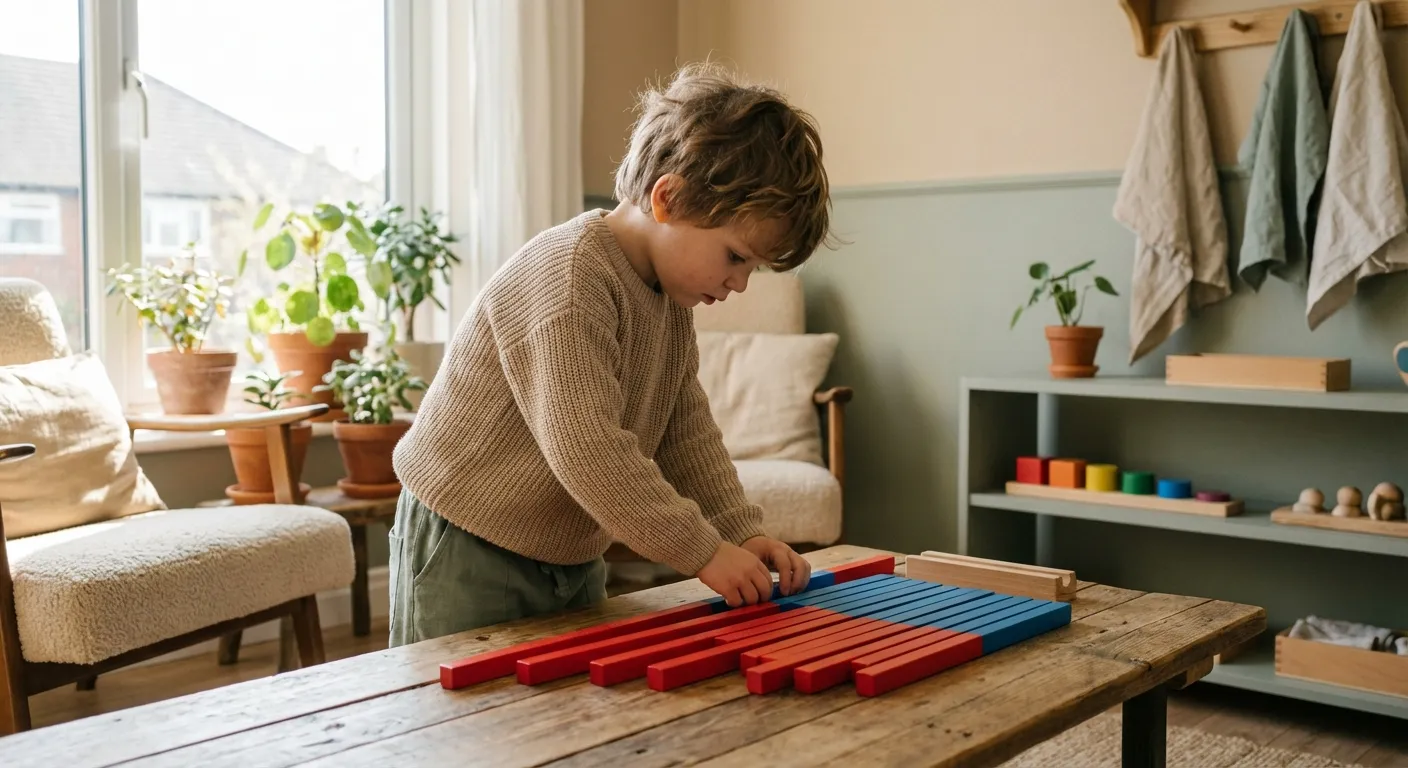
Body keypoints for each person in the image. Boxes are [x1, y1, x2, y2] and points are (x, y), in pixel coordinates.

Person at [387, 61, 835, 647]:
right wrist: (702, 551)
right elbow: (586, 447)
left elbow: (685, 431)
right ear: (668, 199)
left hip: (566, 549)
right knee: (460, 724)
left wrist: (738, 532)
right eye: (734, 256)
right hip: (470, 540)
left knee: (566, 718)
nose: (741, 283)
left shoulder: (670, 300)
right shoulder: (570, 278)